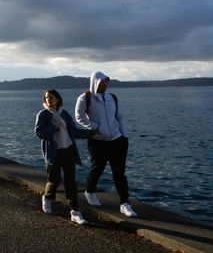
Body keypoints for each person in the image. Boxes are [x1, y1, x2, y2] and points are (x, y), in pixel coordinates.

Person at [75, 71, 138, 218]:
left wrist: (125, 136)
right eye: (103, 81)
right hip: (98, 141)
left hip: (117, 140)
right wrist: (96, 127)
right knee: (97, 168)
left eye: (107, 81)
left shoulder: (112, 98)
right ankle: (89, 192)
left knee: (119, 174)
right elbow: (79, 117)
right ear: (95, 82)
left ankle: (124, 203)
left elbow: (119, 117)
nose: (105, 84)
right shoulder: (85, 98)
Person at [35, 89, 96, 225]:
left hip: (68, 150)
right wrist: (53, 127)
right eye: (46, 98)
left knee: (71, 182)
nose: (48, 99)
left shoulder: (65, 114)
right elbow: (39, 133)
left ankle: (75, 212)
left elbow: (74, 131)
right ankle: (47, 198)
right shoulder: (43, 115)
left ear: (57, 99)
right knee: (54, 179)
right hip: (53, 153)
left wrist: (92, 133)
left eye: (51, 97)